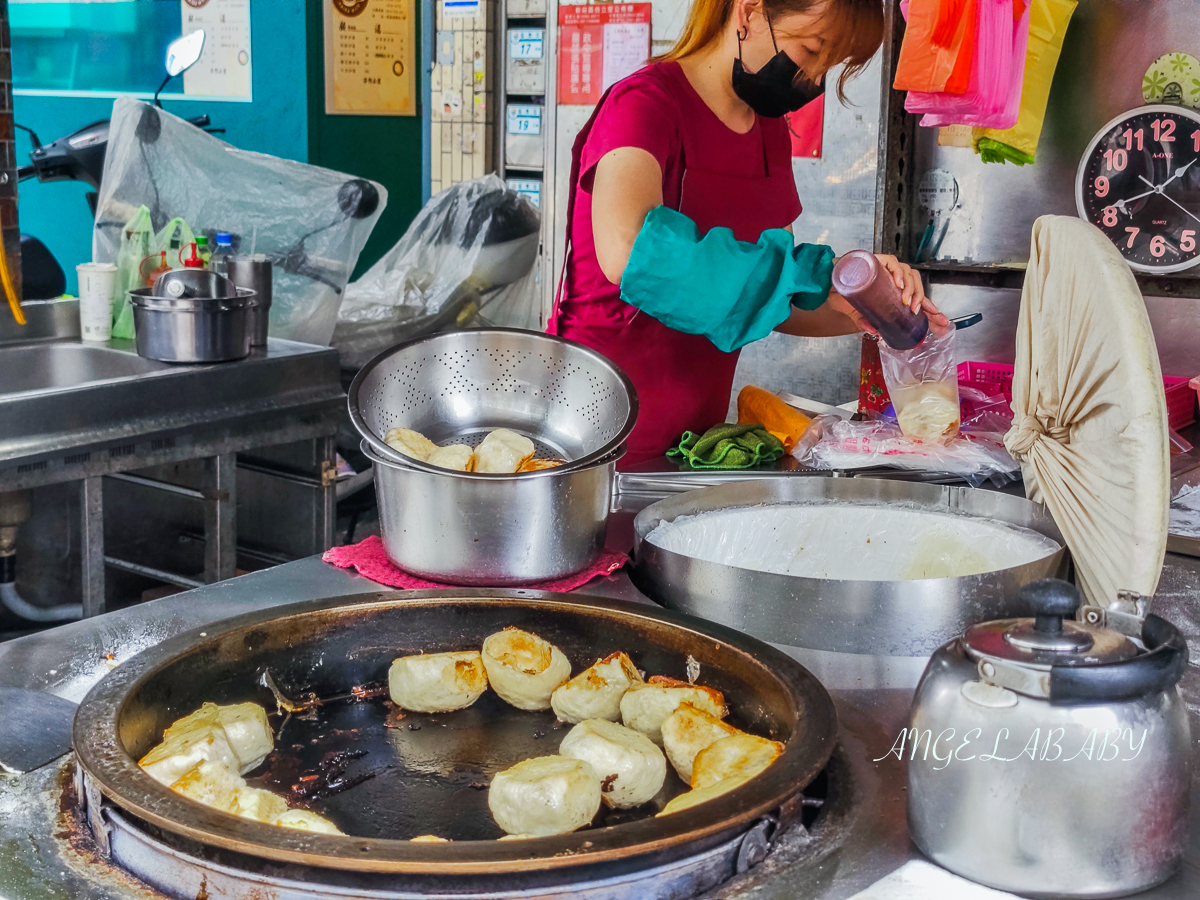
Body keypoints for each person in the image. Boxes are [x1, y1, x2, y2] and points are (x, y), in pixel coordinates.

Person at [547, 0, 949, 466]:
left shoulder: (770, 132)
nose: (814, 81)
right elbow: (632, 252)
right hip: (595, 426)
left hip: (700, 438)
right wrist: (806, 277)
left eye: (829, 66)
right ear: (748, 11)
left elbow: (779, 304)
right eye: (810, 50)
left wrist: (867, 303)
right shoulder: (644, 103)